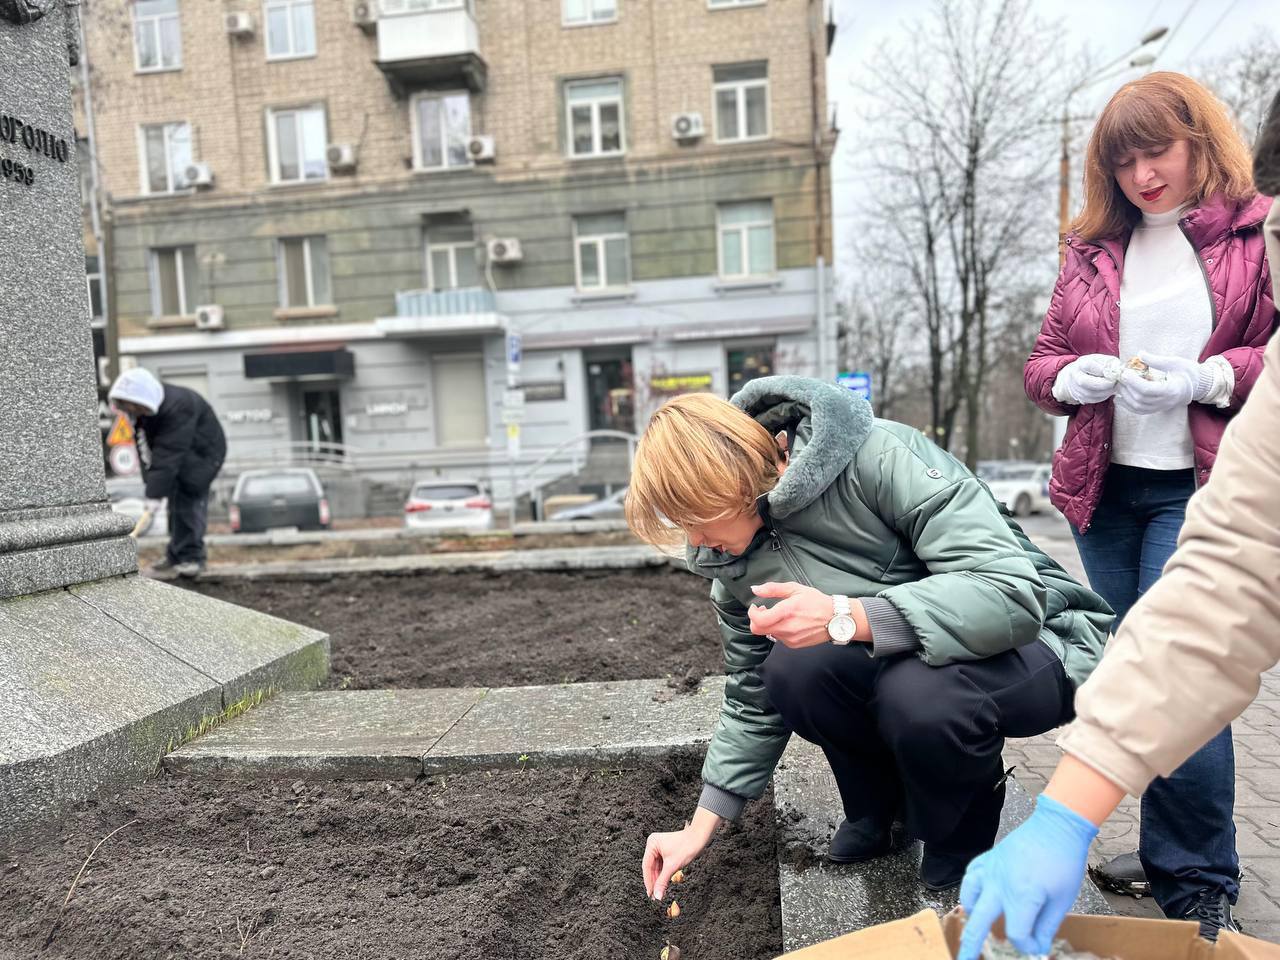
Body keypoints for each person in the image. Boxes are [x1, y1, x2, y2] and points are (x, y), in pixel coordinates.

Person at [956, 81, 1280, 960]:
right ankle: (1165, 848)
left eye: (1158, 153)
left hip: (1201, 483)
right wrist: (1073, 379)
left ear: (1200, 142)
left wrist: (1206, 380)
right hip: (1109, 489)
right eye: (1123, 161)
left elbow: (1270, 356)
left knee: (1188, 660)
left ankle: (1203, 879)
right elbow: (1040, 364)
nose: (1142, 174)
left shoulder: (1253, 238)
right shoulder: (1094, 250)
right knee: (1129, 659)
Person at [624, 378, 1112, 902]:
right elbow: (751, 699)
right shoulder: (734, 568)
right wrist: (701, 824)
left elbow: (1011, 595)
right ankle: (878, 809)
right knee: (793, 673)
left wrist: (845, 616)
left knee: (919, 694)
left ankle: (960, 838)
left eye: (698, 519)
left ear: (733, 482)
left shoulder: (878, 456)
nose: (695, 541)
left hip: (1039, 640)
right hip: (916, 658)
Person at [107, 367, 227, 578]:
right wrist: (152, 487)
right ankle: (176, 556)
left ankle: (193, 558)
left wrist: (154, 493)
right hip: (180, 456)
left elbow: (168, 452)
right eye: (125, 406)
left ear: (142, 399)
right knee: (175, 504)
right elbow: (146, 449)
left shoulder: (180, 405)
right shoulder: (142, 413)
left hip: (203, 456)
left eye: (131, 405)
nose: (129, 409)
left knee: (189, 502)